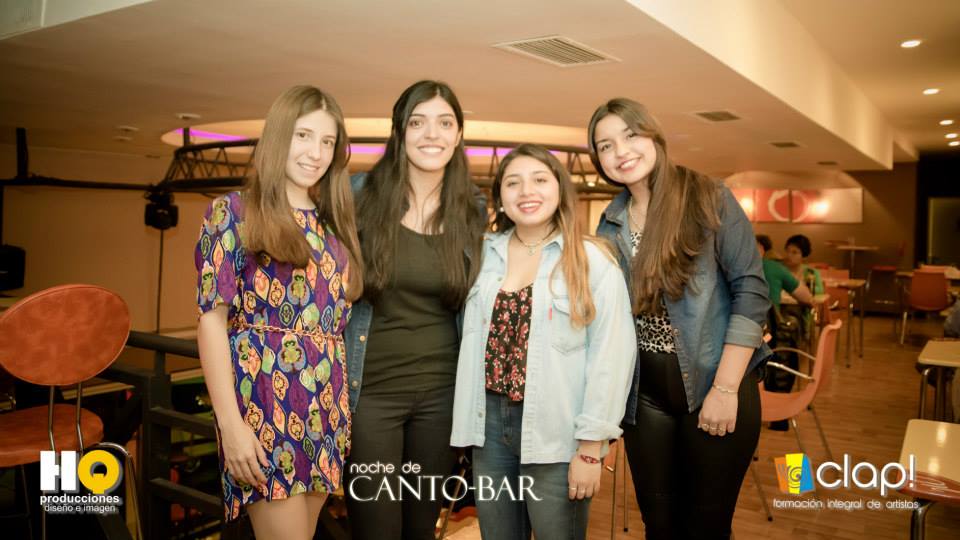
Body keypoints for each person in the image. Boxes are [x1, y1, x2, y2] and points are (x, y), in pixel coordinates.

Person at [589, 98, 770, 539]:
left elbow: (751, 292)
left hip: (714, 381)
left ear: (653, 136)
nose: (620, 152)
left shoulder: (708, 197)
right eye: (605, 145)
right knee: (659, 525)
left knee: (706, 526)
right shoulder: (611, 221)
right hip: (644, 395)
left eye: (630, 135)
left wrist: (726, 389)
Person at [195, 85, 363, 539]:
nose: (316, 153)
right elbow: (211, 322)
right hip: (264, 403)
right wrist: (230, 426)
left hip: (325, 409)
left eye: (327, 141)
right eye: (303, 136)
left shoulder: (333, 225)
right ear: (278, 137)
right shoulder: (233, 212)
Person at [450, 144, 636, 540]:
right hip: (488, 427)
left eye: (539, 179)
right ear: (500, 196)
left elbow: (612, 357)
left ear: (559, 189)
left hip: (558, 429)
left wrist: (591, 448)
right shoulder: (482, 254)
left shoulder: (592, 260)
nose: (526, 192)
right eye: (513, 183)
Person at [342, 80, 487, 540]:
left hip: (442, 399)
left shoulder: (473, 209)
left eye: (445, 123)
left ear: (459, 134)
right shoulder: (359, 195)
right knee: (376, 528)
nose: (432, 134)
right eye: (418, 122)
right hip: (371, 397)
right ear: (399, 131)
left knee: (420, 529)